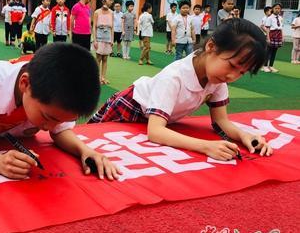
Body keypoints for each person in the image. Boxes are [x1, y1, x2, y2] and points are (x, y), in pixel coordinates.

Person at [89, 18, 272, 161]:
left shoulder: (217, 80)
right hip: (128, 109)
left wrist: (245, 136)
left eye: (242, 72)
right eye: (232, 66)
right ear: (210, 47)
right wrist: (206, 146)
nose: (233, 76)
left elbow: (221, 121)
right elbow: (155, 132)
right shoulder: (174, 77)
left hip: (154, 118)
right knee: (92, 149)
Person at [0, 43, 121, 181]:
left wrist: (85, 150)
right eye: (47, 118)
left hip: (4, 136)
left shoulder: (54, 91)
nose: (50, 128)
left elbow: (61, 130)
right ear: (24, 84)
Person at [92, 0, 114, 84]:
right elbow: (94, 27)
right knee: (98, 58)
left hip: (108, 38)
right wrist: (95, 39)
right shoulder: (97, 12)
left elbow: (112, 27)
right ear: (104, 1)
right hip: (99, 38)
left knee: (105, 58)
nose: (111, 2)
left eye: (112, 0)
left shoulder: (111, 12)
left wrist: (112, 39)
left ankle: (103, 77)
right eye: (110, 0)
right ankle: (97, 78)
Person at [263, 3, 284, 73]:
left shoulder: (280, 18)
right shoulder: (269, 18)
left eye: (279, 8)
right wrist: (268, 38)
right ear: (273, 9)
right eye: (276, 8)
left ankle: (271, 66)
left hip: (278, 35)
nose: (277, 10)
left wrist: (282, 37)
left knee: (274, 51)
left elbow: (281, 28)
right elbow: (268, 29)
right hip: (272, 34)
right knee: (268, 51)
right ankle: (265, 66)